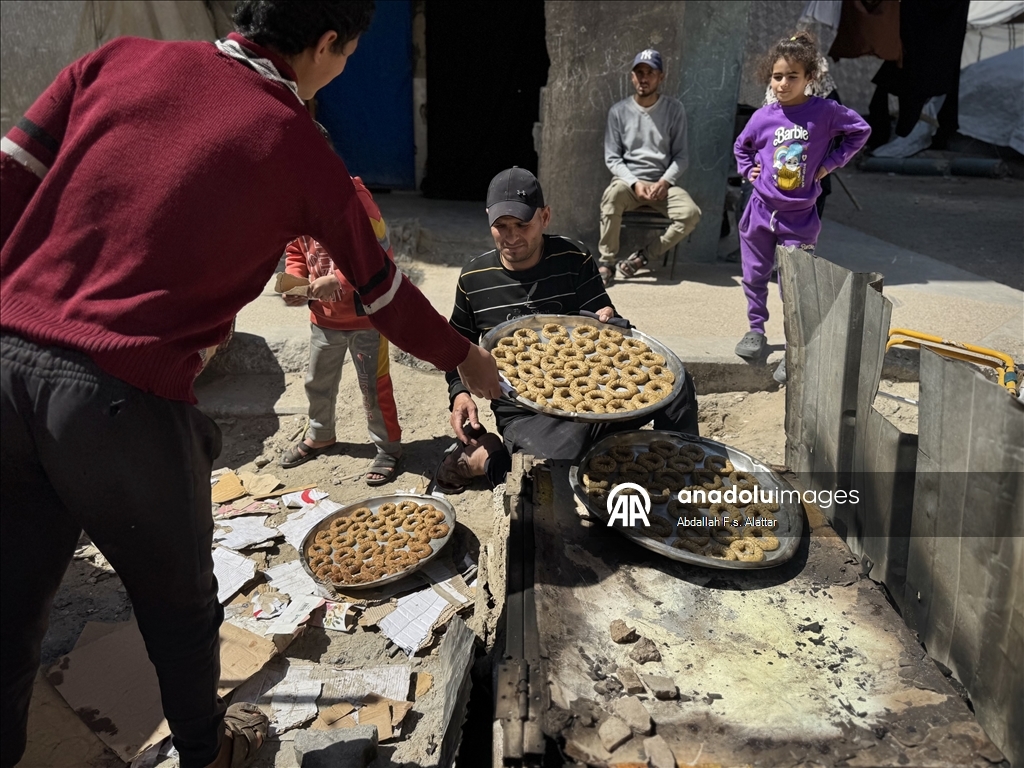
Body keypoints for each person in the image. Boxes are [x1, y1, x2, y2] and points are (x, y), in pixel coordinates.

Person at [0, 3, 499, 768]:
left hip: (6, 362)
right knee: (180, 606)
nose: (340, 71)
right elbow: (383, 290)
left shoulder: (113, 61)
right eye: (346, 56)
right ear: (326, 43)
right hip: (120, 397)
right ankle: (210, 754)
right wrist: (465, 358)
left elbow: (9, 174)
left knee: (10, 607)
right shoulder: (299, 144)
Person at [435, 167, 699, 493]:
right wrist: (458, 392)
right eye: (501, 226)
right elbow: (453, 346)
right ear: (489, 220)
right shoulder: (474, 278)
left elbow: (603, 325)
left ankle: (680, 474)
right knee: (542, 484)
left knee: (676, 386)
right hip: (526, 414)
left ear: (545, 217)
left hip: (592, 394)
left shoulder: (573, 257)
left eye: (522, 225)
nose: (512, 236)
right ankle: (482, 456)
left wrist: (611, 320)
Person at [733, 32, 870, 382]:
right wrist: (750, 170)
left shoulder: (824, 112)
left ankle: (795, 348)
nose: (783, 83)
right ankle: (755, 330)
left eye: (792, 76)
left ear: (811, 78)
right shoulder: (763, 117)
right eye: (777, 76)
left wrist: (831, 163)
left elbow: (860, 130)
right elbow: (741, 147)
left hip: (800, 216)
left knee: (795, 283)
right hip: (759, 211)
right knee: (754, 274)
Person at [279, 176, 403, 485]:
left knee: (373, 388)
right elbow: (296, 250)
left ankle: (388, 449)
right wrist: (295, 280)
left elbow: (380, 255)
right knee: (317, 382)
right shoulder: (297, 202)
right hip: (324, 319)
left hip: (367, 320)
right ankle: (321, 434)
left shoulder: (356, 200)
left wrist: (340, 281)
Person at [598, 48, 702, 287]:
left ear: (661, 77)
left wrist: (665, 182)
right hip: (629, 183)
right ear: (632, 76)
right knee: (611, 196)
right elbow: (612, 158)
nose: (644, 78)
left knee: (690, 213)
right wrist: (634, 182)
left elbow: (681, 156)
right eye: (639, 72)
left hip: (662, 184)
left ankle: (643, 257)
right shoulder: (619, 112)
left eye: (650, 72)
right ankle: (607, 262)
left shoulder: (674, 110)